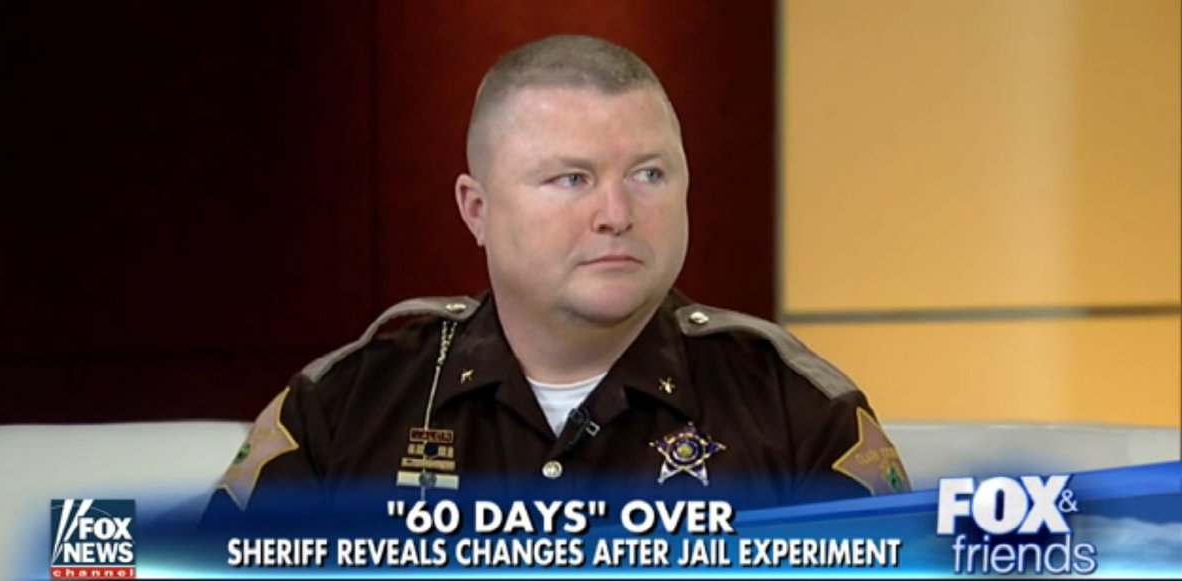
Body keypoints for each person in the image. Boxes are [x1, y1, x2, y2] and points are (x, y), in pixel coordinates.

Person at [203, 34, 909, 520]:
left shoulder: (797, 412)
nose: (616, 215)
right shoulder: (342, 410)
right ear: (477, 210)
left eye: (649, 175)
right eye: (572, 179)